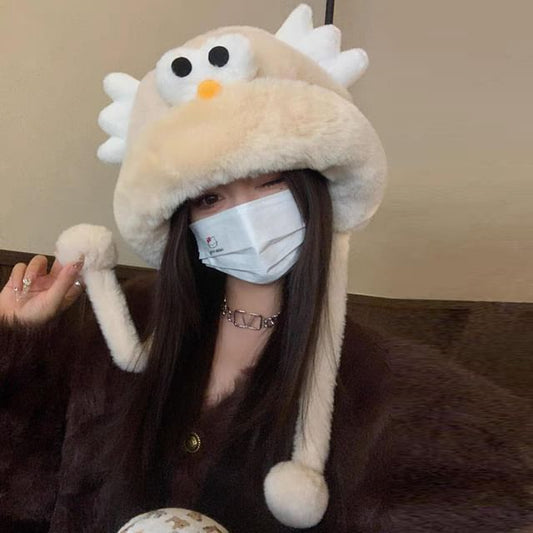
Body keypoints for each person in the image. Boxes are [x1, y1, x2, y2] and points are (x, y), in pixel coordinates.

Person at [1, 4, 531, 533]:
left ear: (312, 189)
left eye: (269, 181)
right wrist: (19, 340)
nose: (245, 215)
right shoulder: (129, 321)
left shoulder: (370, 382)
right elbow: (28, 485)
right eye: (210, 197)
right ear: (184, 219)